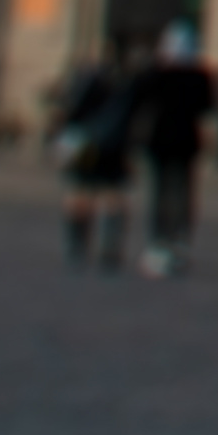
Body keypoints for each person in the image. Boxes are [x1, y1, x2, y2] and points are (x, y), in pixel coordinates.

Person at [126, 20, 218, 276]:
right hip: (187, 140)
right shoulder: (200, 76)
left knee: (160, 192)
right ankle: (180, 241)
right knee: (183, 191)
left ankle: (159, 242)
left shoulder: (156, 73)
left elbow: (136, 100)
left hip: (159, 139)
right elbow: (208, 108)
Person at [47, 35, 142, 272]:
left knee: (81, 193)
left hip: (87, 145)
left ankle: (78, 244)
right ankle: (111, 246)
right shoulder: (129, 83)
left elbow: (73, 110)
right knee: (113, 196)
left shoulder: (89, 78)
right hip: (115, 146)